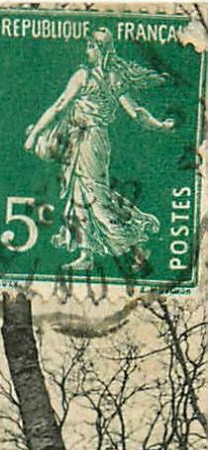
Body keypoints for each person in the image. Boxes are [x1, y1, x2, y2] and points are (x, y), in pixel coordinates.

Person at [24, 27, 176, 271]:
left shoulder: (83, 76)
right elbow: (136, 112)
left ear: (101, 49)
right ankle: (86, 253)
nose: (87, 51)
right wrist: (159, 126)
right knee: (80, 195)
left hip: (89, 141)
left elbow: (60, 105)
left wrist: (34, 134)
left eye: (91, 47)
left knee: (95, 196)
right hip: (88, 139)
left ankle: (136, 244)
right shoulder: (115, 78)